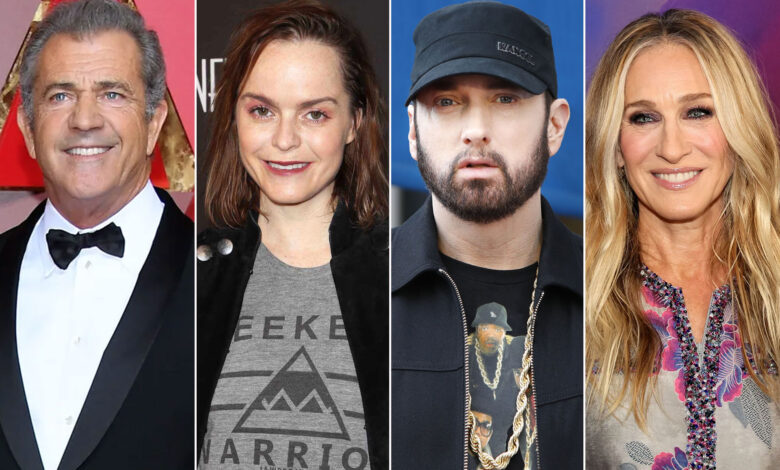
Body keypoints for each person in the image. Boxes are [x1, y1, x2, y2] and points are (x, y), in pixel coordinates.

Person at [0, 1, 193, 469]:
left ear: (153, 123)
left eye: (112, 94)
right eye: (60, 95)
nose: (85, 120)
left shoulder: (224, 280)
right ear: (27, 128)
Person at [196, 1, 388, 468]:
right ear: (234, 117)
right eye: (262, 110)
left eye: (314, 114)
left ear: (354, 123)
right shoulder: (192, 275)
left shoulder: (400, 275)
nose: (284, 140)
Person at [586, 9, 780, 469]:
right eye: (643, 117)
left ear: (738, 129)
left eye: (698, 112)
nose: (672, 148)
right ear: (616, 147)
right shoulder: (574, 299)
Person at [391, 2, 582, 469]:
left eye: (505, 99)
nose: (476, 130)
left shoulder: (616, 291)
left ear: (554, 125)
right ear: (413, 131)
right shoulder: (354, 289)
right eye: (447, 102)